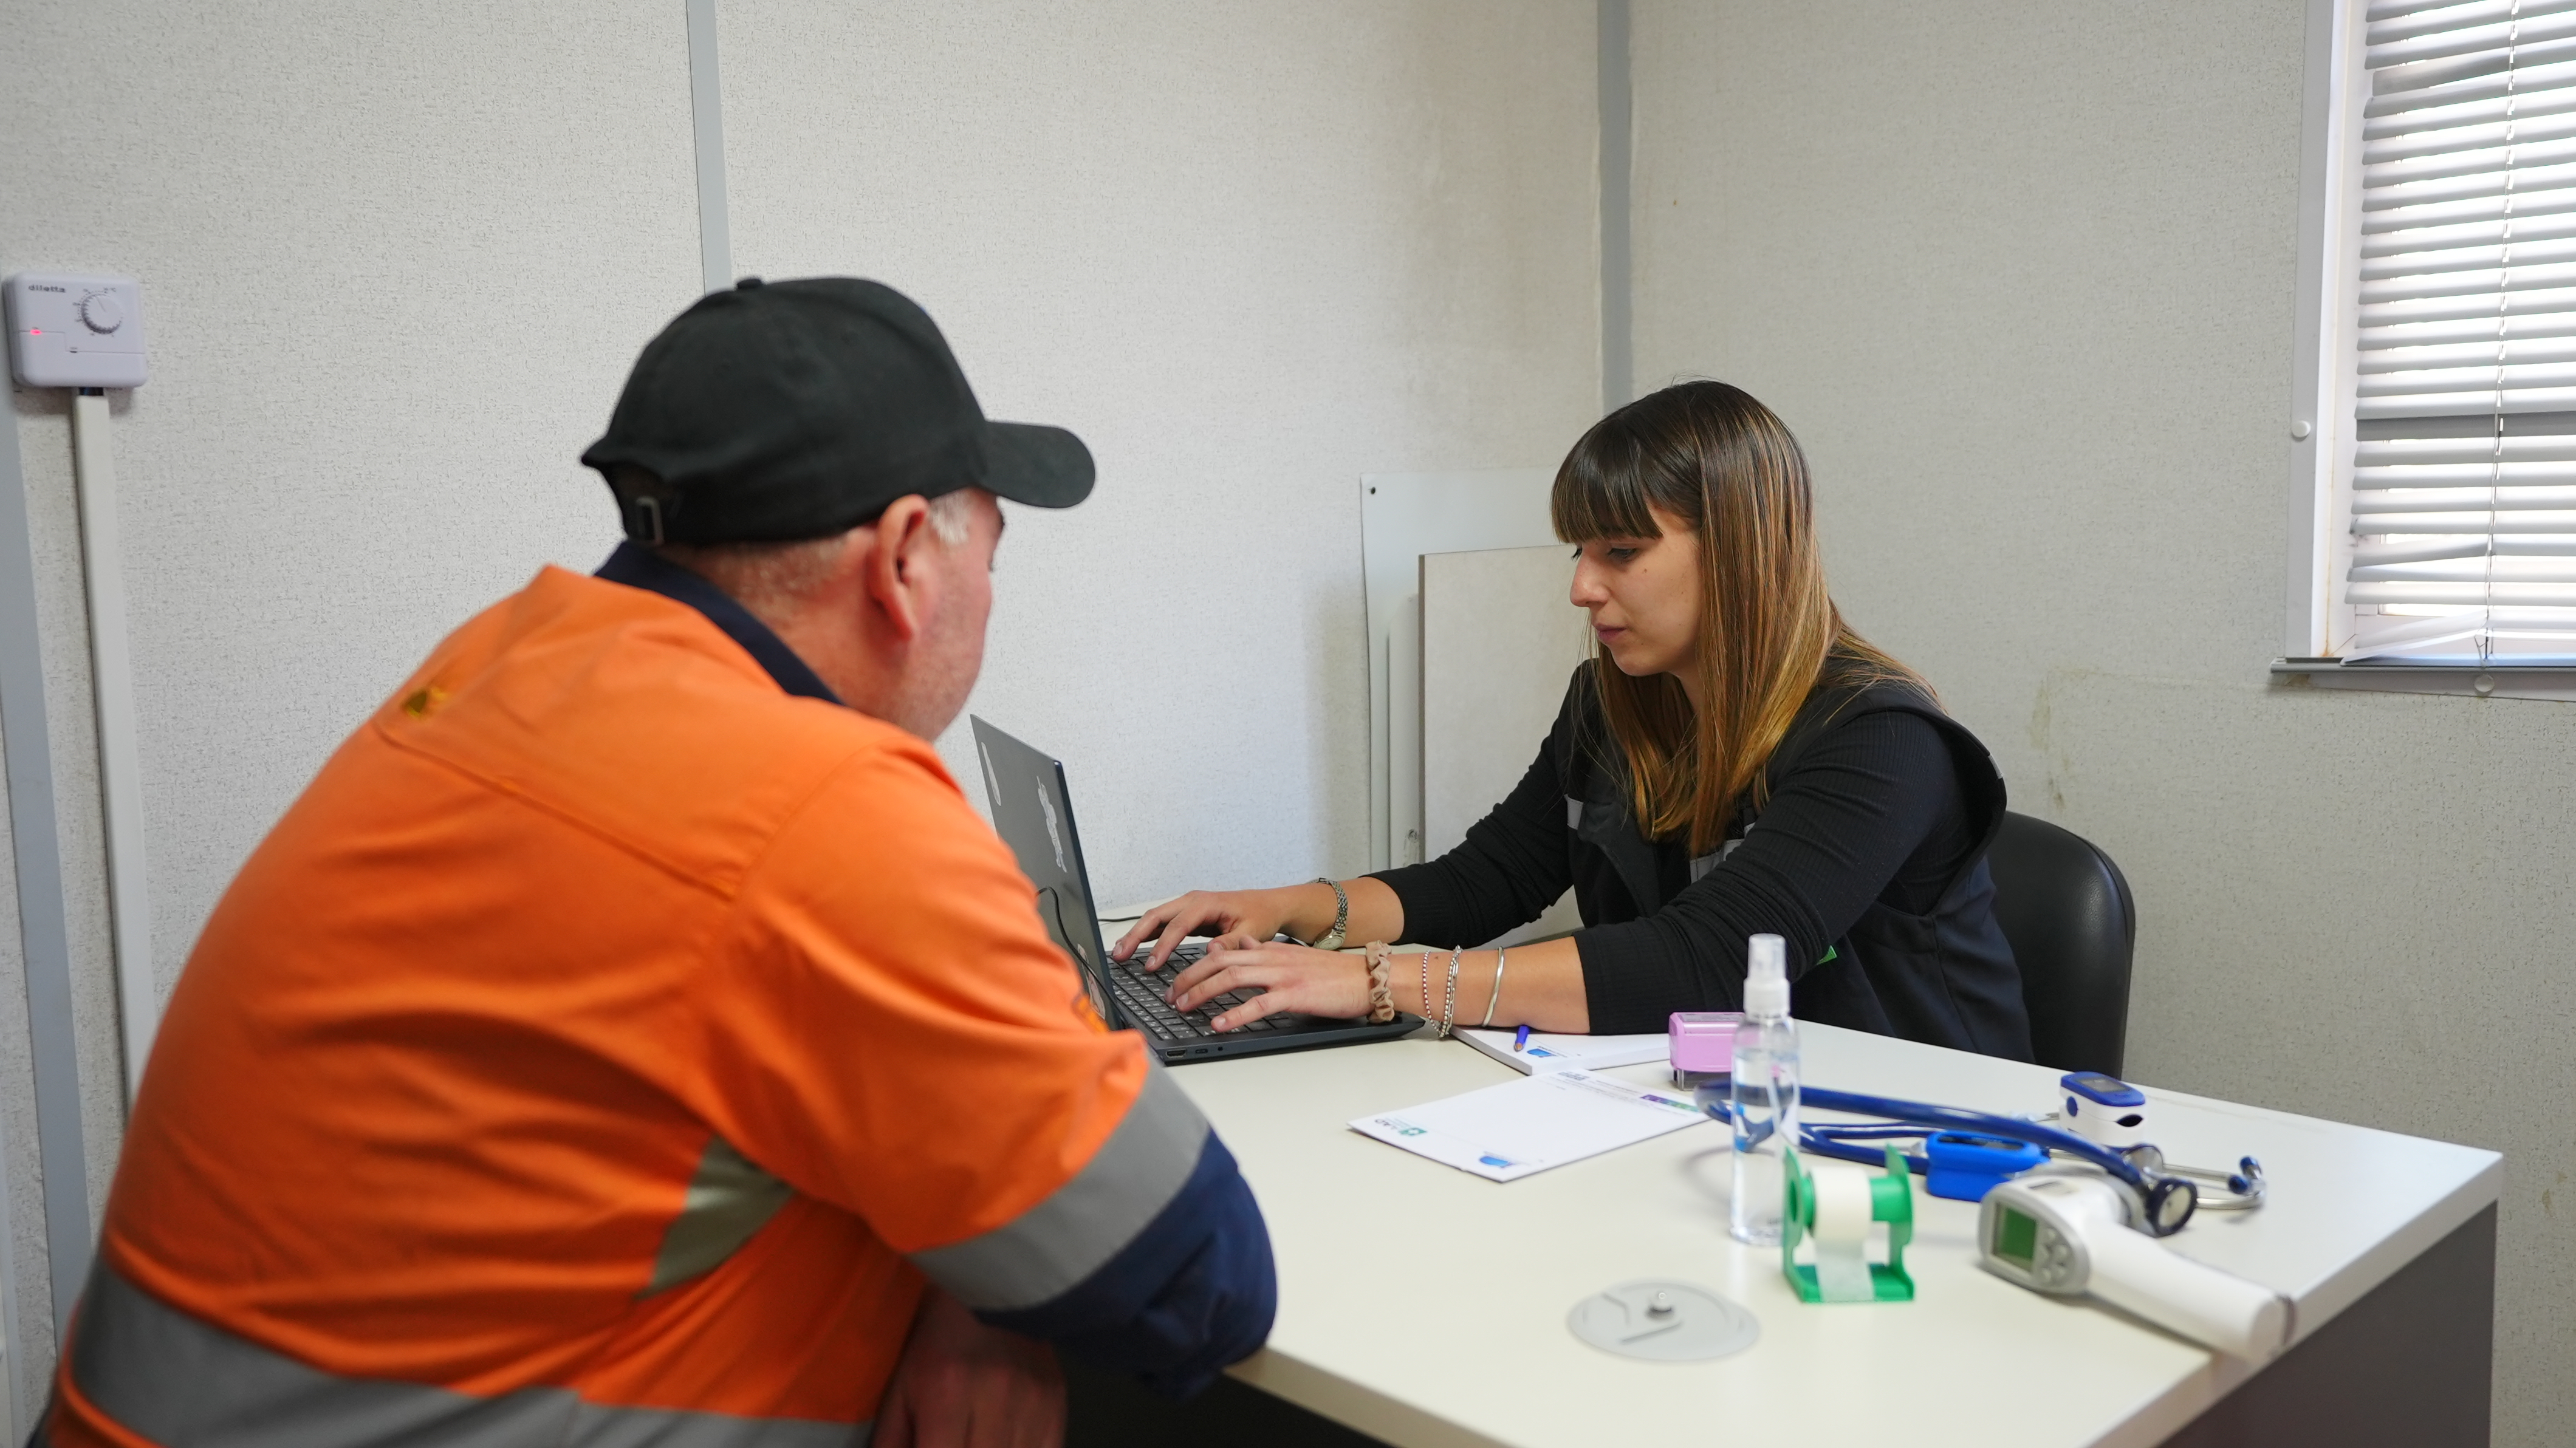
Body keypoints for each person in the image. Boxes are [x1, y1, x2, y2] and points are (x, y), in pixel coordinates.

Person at [40, 278, 1273, 1448]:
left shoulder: (502, 666)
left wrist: (972, 1281)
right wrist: (996, 1269)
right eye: (991, 558)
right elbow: (1198, 1280)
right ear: (905, 559)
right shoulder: (820, 816)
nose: (990, 599)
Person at [1117, 380, 2032, 1060]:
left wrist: (1378, 981)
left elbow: (1706, 963)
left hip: (1915, 1142)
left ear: (1742, 553)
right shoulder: (1612, 701)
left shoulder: (1883, 741)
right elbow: (1488, 881)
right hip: (1714, 1106)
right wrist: (1294, 909)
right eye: (1581, 553)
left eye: (1622, 552)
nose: (1583, 588)